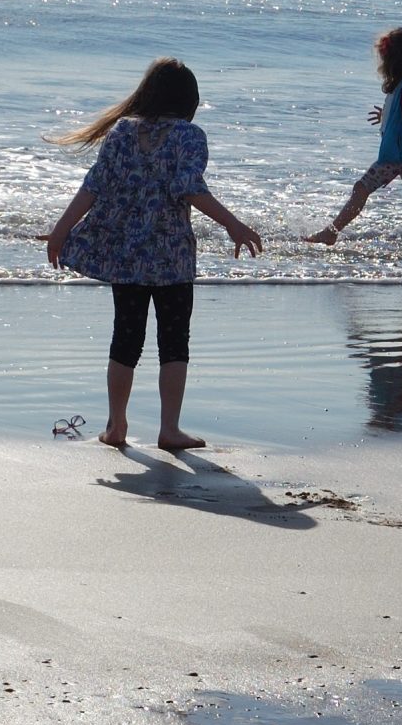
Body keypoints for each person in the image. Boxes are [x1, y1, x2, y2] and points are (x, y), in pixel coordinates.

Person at [45, 58, 262, 450]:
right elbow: (190, 188)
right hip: (171, 256)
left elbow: (93, 187)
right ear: (188, 100)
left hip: (127, 254)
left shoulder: (121, 134)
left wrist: (61, 231)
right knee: (175, 341)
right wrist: (233, 223)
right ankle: (169, 430)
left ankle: (116, 427)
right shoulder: (189, 135)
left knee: (125, 339)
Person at [304, 26, 402, 258]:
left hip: (396, 157)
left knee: (361, 188)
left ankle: (331, 232)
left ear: (393, 61)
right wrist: (386, 116)